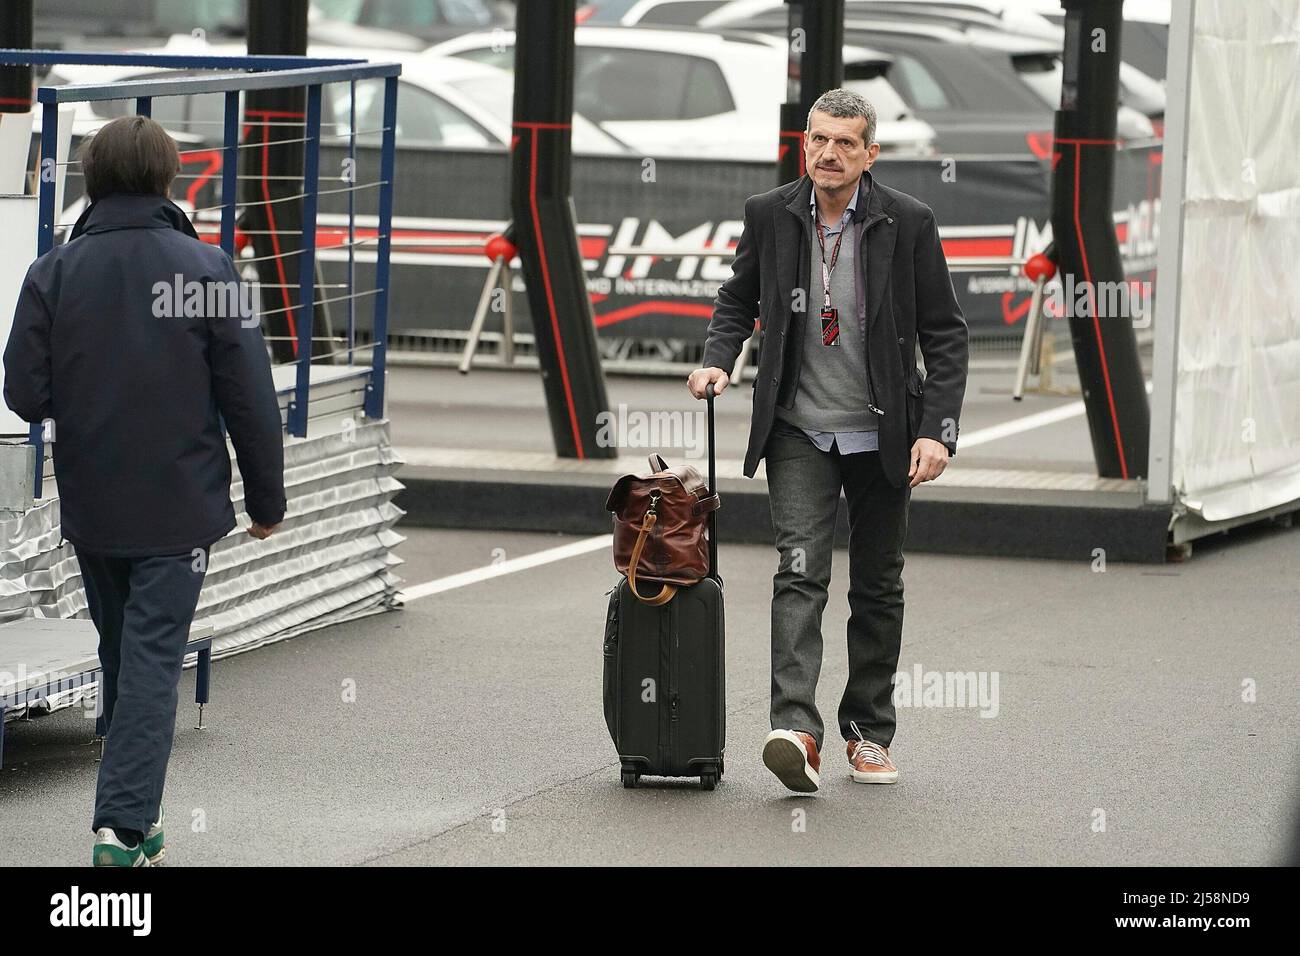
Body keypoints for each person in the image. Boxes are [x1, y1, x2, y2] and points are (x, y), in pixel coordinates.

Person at [3, 115, 286, 863]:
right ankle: (121, 828)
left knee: (127, 658)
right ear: (167, 181)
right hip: (179, 506)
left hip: (94, 504)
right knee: (152, 662)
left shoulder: (53, 272)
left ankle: (139, 817)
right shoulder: (209, 270)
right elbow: (250, 397)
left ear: (92, 181)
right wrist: (266, 502)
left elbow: (24, 395)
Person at [687, 89, 968, 793]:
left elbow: (946, 333)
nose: (829, 154)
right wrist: (719, 356)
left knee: (877, 586)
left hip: (884, 435)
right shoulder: (770, 215)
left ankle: (868, 734)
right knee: (799, 573)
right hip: (798, 431)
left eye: (846, 143)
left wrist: (939, 430)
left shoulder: (908, 222)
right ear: (802, 143)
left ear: (871, 153)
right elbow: (736, 298)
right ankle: (797, 731)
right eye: (818, 140)